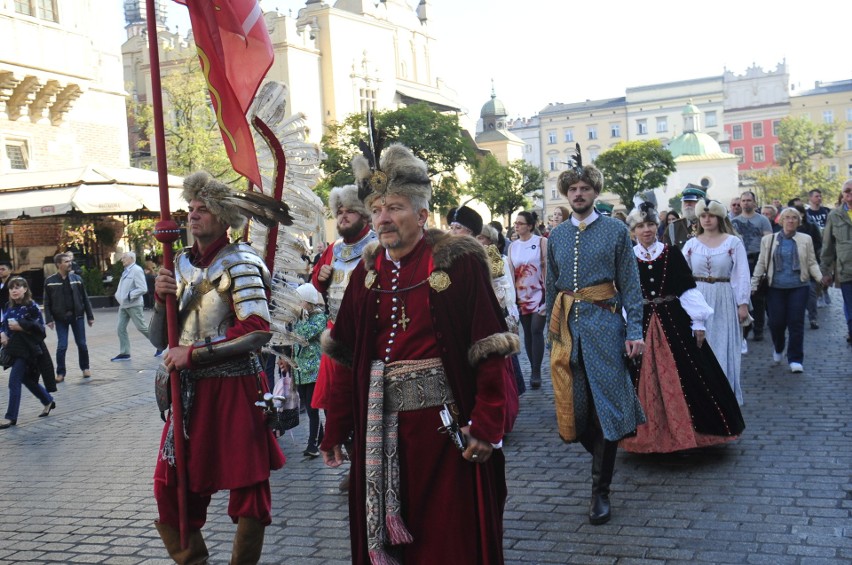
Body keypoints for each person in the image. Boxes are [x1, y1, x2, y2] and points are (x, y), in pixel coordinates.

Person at [320, 143, 515, 564]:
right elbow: (345, 357)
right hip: (381, 433)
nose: (383, 218)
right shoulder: (366, 274)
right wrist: (334, 428)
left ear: (423, 215)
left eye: (395, 207)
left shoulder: (458, 262)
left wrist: (485, 424)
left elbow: (489, 349)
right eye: (376, 209)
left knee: (447, 542)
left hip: (444, 432)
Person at [147, 171, 285, 564]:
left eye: (202, 209)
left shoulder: (241, 263)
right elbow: (161, 339)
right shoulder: (178, 263)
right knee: (169, 486)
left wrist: (192, 355)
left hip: (234, 388)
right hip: (187, 393)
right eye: (190, 208)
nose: (192, 216)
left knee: (248, 488)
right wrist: (161, 300)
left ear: (224, 218)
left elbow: (257, 331)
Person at [545, 155, 645, 526]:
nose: (579, 194)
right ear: (566, 194)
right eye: (573, 189)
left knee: (606, 407)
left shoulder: (617, 231)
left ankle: (599, 490)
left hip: (605, 326)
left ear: (595, 192)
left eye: (585, 188)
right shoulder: (555, 235)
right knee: (578, 407)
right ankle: (603, 453)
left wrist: (635, 330)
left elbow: (631, 286)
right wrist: (551, 333)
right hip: (567, 327)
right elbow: (550, 284)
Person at [620, 203, 745, 453]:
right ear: (633, 231)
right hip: (640, 321)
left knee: (692, 373)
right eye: (641, 226)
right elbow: (624, 294)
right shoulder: (627, 257)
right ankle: (644, 436)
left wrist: (698, 322)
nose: (647, 230)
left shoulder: (671, 253)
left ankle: (697, 431)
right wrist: (627, 327)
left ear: (658, 226)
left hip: (673, 318)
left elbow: (687, 288)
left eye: (651, 224)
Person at [310, 183, 377, 491]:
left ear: (363, 214)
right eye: (340, 212)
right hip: (336, 341)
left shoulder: (377, 245)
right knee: (336, 407)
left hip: (368, 340)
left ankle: (370, 465)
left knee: (366, 407)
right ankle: (354, 464)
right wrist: (320, 279)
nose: (344, 217)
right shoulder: (333, 249)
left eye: (351, 211)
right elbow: (318, 285)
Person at [682, 200, 751, 405]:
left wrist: (743, 303)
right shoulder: (691, 245)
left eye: (711, 215)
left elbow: (742, 274)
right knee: (701, 348)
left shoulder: (733, 243)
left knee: (723, 347)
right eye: (703, 216)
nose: (707, 219)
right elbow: (682, 275)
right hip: (698, 297)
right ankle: (704, 400)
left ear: (719, 218)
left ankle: (725, 398)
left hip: (724, 298)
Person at [751, 207, 822, 373]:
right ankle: (779, 346)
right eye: (787, 218)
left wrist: (820, 278)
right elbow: (761, 263)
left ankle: (795, 358)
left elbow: (811, 262)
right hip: (775, 288)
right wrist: (753, 283)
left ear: (799, 221)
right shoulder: (769, 240)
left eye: (794, 218)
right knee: (776, 323)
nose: (790, 220)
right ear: (781, 220)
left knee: (796, 323)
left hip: (799, 286)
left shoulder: (806, 239)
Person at [284, 283, 328, 457]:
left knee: (312, 408)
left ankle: (313, 445)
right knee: (309, 407)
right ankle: (321, 437)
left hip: (314, 370)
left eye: (300, 301)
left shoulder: (319, 318)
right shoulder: (299, 319)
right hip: (300, 372)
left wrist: (295, 322)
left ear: (308, 301)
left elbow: (303, 335)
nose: (297, 305)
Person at [508, 210, 546, 389]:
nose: (517, 226)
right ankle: (533, 368)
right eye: (516, 223)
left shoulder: (541, 242)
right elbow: (510, 272)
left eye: (520, 223)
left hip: (540, 293)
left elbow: (548, 268)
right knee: (528, 333)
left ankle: (537, 372)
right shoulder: (512, 246)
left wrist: (549, 294)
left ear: (529, 226)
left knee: (537, 329)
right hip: (521, 296)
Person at [43, 252, 94, 382]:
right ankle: (60, 373)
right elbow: (46, 302)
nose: (69, 263)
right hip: (60, 318)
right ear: (59, 264)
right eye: (66, 262)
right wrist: (49, 319)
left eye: (70, 261)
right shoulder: (50, 281)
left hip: (77, 316)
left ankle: (85, 368)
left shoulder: (77, 278)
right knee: (62, 346)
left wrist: (90, 316)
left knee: (82, 344)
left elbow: (85, 298)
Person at [732, 191, 773, 343]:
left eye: (749, 200)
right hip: (740, 261)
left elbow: (768, 242)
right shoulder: (734, 222)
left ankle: (758, 329)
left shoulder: (762, 220)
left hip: (757, 259)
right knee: (742, 296)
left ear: (754, 202)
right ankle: (744, 327)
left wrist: (766, 263)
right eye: (743, 200)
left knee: (758, 297)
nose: (746, 203)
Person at [111, 252, 162, 361]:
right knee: (120, 328)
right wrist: (118, 295)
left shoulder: (136, 270)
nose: (122, 260)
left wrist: (129, 296)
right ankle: (125, 353)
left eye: (124, 257)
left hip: (133, 304)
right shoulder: (126, 271)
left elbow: (143, 288)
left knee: (141, 327)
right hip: (124, 305)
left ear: (131, 259)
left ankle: (160, 344)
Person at [820, 179, 852, 344]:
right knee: (849, 302)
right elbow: (827, 245)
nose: (849, 193)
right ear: (843, 194)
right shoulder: (835, 215)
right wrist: (825, 271)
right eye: (847, 190)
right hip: (845, 268)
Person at [793, 204, 823, 330]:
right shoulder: (786, 229)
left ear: (802, 214)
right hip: (792, 266)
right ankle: (794, 318)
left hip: (808, 263)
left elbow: (818, 243)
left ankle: (813, 318)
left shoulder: (811, 227)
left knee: (810, 292)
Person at [662, 185, 705, 249]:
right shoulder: (672, 227)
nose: (688, 204)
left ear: (701, 203)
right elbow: (667, 254)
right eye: (685, 201)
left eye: (692, 201)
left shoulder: (710, 224)